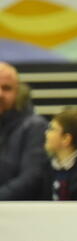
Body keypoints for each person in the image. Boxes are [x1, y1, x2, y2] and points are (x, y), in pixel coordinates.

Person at [0, 62, 47, 200]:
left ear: (18, 92)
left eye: (6, 88)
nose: (0, 94)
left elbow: (31, 179)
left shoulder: (35, 127)